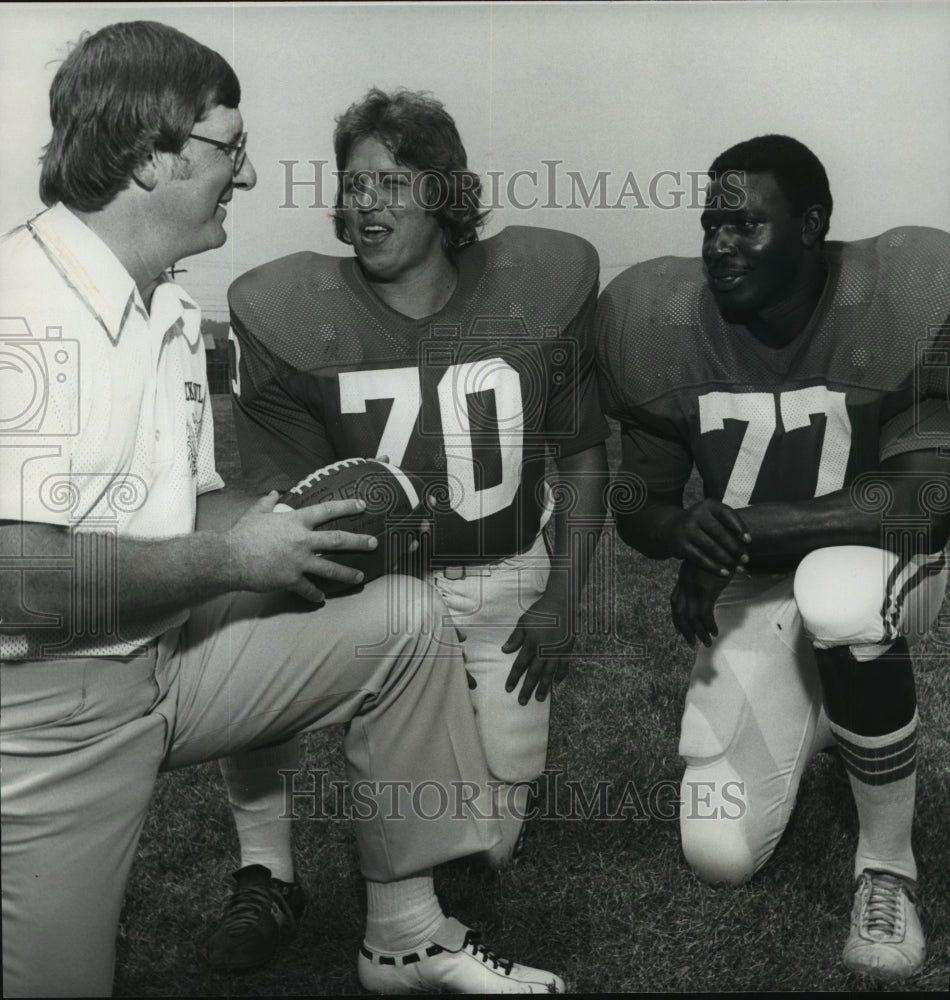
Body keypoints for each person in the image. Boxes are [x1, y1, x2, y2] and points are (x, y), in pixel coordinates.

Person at [0, 23, 566, 996]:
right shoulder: (27, 305)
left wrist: (295, 522)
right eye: (230, 146)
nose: (249, 176)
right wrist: (233, 563)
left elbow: (185, 505)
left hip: (162, 662)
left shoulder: (166, 306)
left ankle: (405, 936)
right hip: (49, 712)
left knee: (403, 618)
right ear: (152, 155)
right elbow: (20, 580)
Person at [207, 88, 608, 970]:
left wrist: (566, 598)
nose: (368, 202)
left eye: (394, 181)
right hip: (379, 587)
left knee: (486, 850)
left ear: (448, 196)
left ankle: (449, 771)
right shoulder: (290, 310)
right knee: (242, 604)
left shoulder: (538, 287)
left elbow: (581, 458)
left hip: (503, 574)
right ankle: (267, 866)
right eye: (355, 185)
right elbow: (285, 495)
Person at [595, 134, 950, 982]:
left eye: (747, 225)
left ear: (813, 226)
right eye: (711, 224)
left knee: (842, 593)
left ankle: (887, 864)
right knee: (720, 851)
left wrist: (737, 531)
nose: (720, 246)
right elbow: (638, 498)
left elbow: (920, 503)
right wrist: (683, 532)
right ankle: (837, 706)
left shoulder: (902, 294)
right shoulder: (662, 322)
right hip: (758, 590)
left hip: (887, 561)